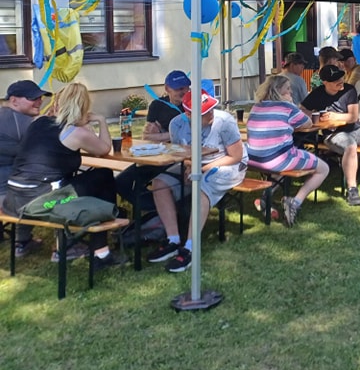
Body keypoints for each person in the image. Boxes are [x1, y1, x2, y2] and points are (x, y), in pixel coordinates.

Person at [3, 83, 121, 266]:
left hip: (13, 199)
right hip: (39, 202)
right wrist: (101, 120)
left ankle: (84, 246)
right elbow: (104, 149)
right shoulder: (75, 133)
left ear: (57, 103)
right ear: (83, 107)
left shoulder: (38, 122)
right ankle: (101, 252)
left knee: (79, 180)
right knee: (103, 176)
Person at [155, 90, 246, 272]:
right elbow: (182, 155)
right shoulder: (176, 125)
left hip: (228, 164)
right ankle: (173, 239)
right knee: (160, 183)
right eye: (205, 112)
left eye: (211, 108)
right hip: (197, 164)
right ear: (188, 114)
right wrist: (189, 165)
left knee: (200, 186)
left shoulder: (225, 121)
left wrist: (200, 169)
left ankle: (190, 247)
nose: (210, 113)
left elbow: (236, 156)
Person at [243, 76, 330, 228]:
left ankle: (265, 198)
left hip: (253, 158)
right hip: (278, 159)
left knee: (282, 167)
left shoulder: (257, 106)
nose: (291, 92)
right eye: (288, 89)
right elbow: (308, 123)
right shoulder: (288, 107)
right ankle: (295, 202)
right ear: (278, 91)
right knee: (323, 168)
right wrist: (291, 108)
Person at [303, 64, 360, 205]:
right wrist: (316, 118)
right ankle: (352, 189)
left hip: (355, 129)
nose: (341, 81)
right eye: (335, 80)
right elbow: (303, 110)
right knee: (351, 146)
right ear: (325, 82)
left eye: (341, 77)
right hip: (333, 134)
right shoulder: (317, 93)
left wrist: (335, 116)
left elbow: (353, 117)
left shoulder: (349, 90)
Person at [114, 69, 191, 218]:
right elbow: (147, 137)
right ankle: (155, 209)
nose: (184, 92)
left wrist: (162, 134)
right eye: (179, 89)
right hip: (156, 156)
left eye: (186, 87)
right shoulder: (157, 105)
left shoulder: (193, 104)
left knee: (158, 183)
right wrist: (170, 135)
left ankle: (161, 210)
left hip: (179, 159)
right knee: (121, 182)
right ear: (167, 89)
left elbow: (192, 134)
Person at [0, 80, 51, 207]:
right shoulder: (20, 121)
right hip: (7, 195)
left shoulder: (5, 116)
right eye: (32, 98)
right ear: (14, 101)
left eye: (40, 98)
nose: (39, 102)